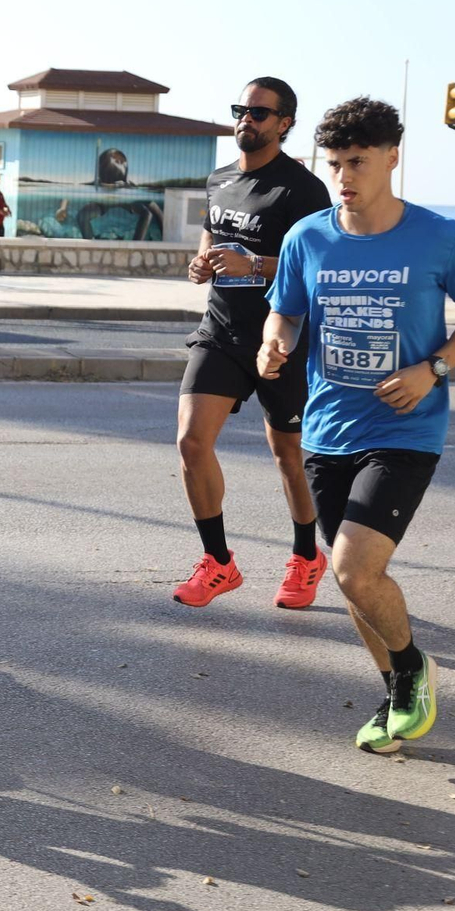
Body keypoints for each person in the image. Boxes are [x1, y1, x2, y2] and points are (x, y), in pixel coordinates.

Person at [260, 96, 455, 753]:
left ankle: (412, 669)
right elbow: (284, 311)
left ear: (393, 158)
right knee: (348, 579)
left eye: (358, 161)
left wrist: (435, 367)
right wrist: (271, 342)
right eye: (335, 163)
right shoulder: (307, 236)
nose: (344, 176)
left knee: (355, 567)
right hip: (327, 429)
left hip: (405, 427)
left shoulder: (438, 236)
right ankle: (398, 688)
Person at [173, 77, 331, 609]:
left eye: (260, 113)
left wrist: (257, 265)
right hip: (220, 330)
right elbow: (213, 233)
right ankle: (218, 564)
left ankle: (307, 556)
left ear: (285, 123)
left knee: (288, 454)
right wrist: (203, 260)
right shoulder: (219, 178)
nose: (247, 119)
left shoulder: (303, 190)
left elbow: (319, 269)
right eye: (241, 109)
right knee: (191, 442)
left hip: (281, 338)